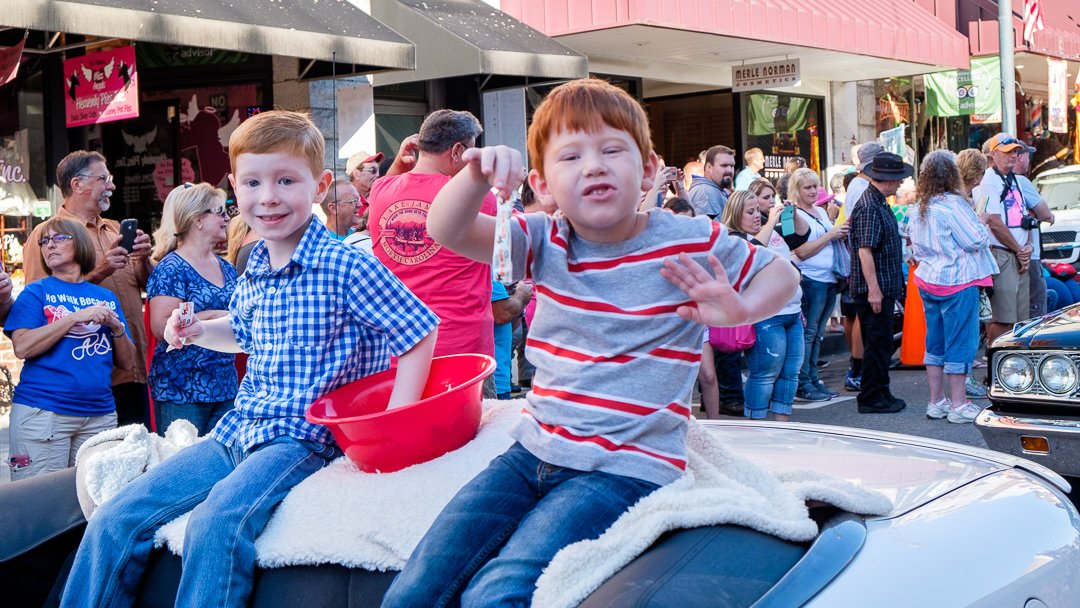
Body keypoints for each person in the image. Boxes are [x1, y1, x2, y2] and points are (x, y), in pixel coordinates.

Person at [381, 78, 798, 607]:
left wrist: (740, 309)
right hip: (531, 449)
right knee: (418, 582)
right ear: (543, 182)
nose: (594, 166)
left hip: (625, 463)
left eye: (611, 150)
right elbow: (445, 228)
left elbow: (781, 273)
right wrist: (475, 173)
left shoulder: (684, 238)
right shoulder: (544, 237)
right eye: (571, 156)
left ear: (646, 169)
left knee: (499, 592)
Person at [60, 111, 440, 607]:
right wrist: (196, 331)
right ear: (235, 189)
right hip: (239, 427)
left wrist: (393, 423)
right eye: (254, 182)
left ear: (321, 185)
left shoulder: (346, 263)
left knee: (216, 523)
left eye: (286, 180)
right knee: (116, 515)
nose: (269, 197)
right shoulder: (255, 263)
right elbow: (242, 332)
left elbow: (418, 330)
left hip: (303, 436)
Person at [23, 151, 152, 426]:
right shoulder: (47, 237)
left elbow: (148, 286)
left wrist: (144, 259)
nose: (112, 185)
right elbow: (40, 307)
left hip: (134, 368)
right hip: (88, 378)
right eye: (104, 178)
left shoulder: (115, 229)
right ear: (77, 185)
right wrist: (100, 271)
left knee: (138, 460)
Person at [5, 218, 135, 481]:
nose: (49, 245)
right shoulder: (36, 292)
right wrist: (74, 318)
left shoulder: (105, 298)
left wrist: (116, 326)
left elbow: (128, 362)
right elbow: (23, 346)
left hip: (99, 414)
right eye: (44, 241)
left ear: (80, 244)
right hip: (44, 413)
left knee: (92, 501)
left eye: (58, 238)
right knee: (42, 503)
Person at [368, 109, 498, 358]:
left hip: (400, 345)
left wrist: (399, 163)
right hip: (461, 346)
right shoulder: (478, 198)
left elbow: (389, 184)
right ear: (457, 151)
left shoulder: (380, 190)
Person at [908, 150, 998, 424]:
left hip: (929, 279)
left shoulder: (919, 205)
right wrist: (981, 222)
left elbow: (911, 244)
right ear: (952, 174)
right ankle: (959, 404)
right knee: (960, 342)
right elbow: (975, 241)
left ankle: (937, 401)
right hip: (958, 280)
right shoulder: (954, 204)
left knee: (934, 343)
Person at [147, 183, 239, 435]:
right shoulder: (171, 268)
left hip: (224, 383)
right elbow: (160, 326)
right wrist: (214, 317)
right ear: (197, 219)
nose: (226, 218)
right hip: (182, 388)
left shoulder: (226, 267)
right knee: (183, 463)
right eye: (219, 211)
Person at [721, 191, 803, 421]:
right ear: (737, 214)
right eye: (751, 212)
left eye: (758, 210)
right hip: (766, 317)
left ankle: (782, 430)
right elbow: (753, 251)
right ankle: (756, 430)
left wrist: (792, 215)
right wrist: (772, 221)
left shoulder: (772, 231)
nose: (758, 216)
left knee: (790, 374)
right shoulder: (734, 239)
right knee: (765, 374)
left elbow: (799, 237)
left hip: (792, 313)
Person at [849, 152, 912, 414]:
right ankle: (872, 396)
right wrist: (874, 290)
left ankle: (880, 391)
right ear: (887, 180)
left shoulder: (877, 202)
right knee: (876, 343)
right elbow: (865, 250)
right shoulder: (870, 206)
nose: (900, 184)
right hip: (874, 289)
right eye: (898, 179)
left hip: (883, 285)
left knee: (882, 342)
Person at [972, 134, 1047, 349]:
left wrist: (1028, 247)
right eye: (1007, 152)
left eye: (1015, 151)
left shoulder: (1014, 180)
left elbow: (1026, 217)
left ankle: (1015, 368)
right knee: (1002, 318)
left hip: (1017, 254)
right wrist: (1020, 250)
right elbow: (993, 222)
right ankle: (993, 367)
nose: (1014, 156)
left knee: (1020, 318)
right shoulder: (990, 181)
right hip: (1004, 254)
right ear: (993, 155)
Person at [787, 168, 847, 402]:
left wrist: (836, 233)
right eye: (807, 187)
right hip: (811, 281)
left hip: (829, 279)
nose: (813, 191)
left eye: (815, 186)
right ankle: (804, 383)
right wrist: (831, 235)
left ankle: (813, 379)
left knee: (817, 334)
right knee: (809, 334)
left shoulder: (819, 213)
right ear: (797, 190)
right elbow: (800, 252)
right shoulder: (791, 214)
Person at [1014, 144, 1056, 318]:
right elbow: (1046, 215)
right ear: (1019, 157)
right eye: (1026, 155)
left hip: (1016, 254)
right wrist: (1041, 215)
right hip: (1029, 255)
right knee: (1036, 305)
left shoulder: (1000, 182)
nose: (1029, 160)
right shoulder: (1021, 181)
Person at [491, 279, 533, 399]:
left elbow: (509, 326)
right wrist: (521, 296)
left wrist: (518, 304)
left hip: (499, 379)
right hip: (493, 380)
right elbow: (502, 315)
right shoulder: (484, 274)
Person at [688, 145, 735, 218]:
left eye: (732, 166)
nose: (730, 170)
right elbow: (709, 228)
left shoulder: (712, 190)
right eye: (724, 165)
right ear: (709, 167)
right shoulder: (706, 193)